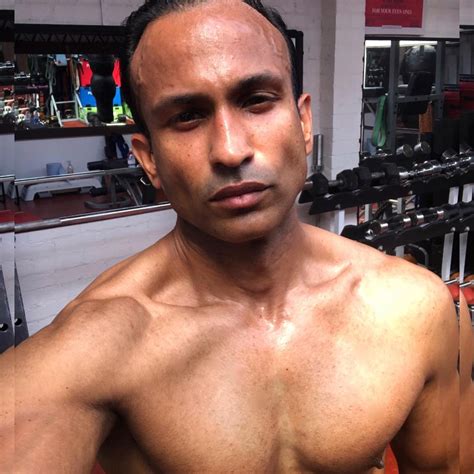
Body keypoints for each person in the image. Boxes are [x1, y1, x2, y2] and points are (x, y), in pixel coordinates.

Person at [1, 1, 461, 472]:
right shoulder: (96, 348)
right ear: (149, 159)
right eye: (187, 116)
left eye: (257, 100)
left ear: (304, 123)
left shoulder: (409, 307)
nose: (230, 149)